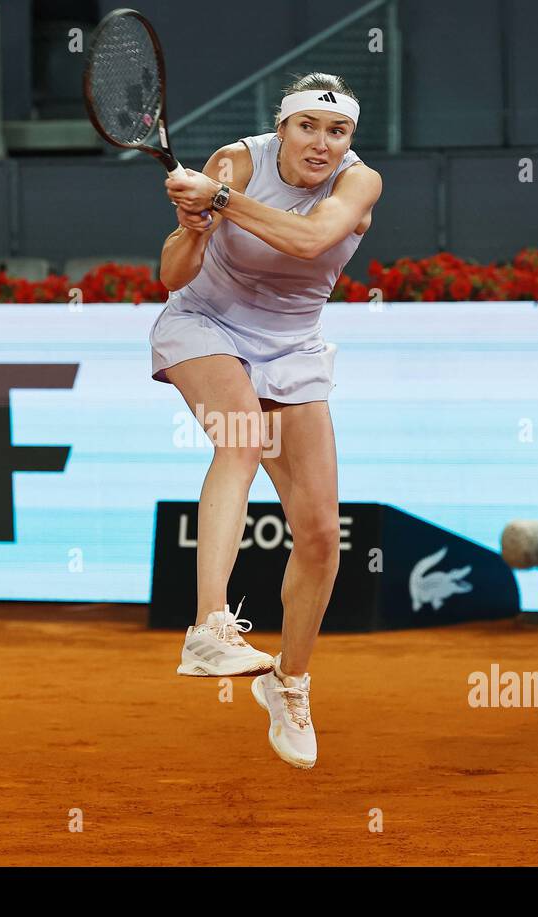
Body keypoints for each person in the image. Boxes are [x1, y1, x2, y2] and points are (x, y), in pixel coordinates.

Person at [156, 73, 382, 770]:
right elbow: (172, 273)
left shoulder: (358, 184)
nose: (322, 142)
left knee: (319, 536)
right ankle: (210, 626)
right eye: (307, 126)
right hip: (206, 322)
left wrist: (220, 200)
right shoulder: (238, 160)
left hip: (292, 346)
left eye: (336, 130)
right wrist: (195, 228)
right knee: (242, 438)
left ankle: (290, 681)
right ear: (281, 128)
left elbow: (312, 241)